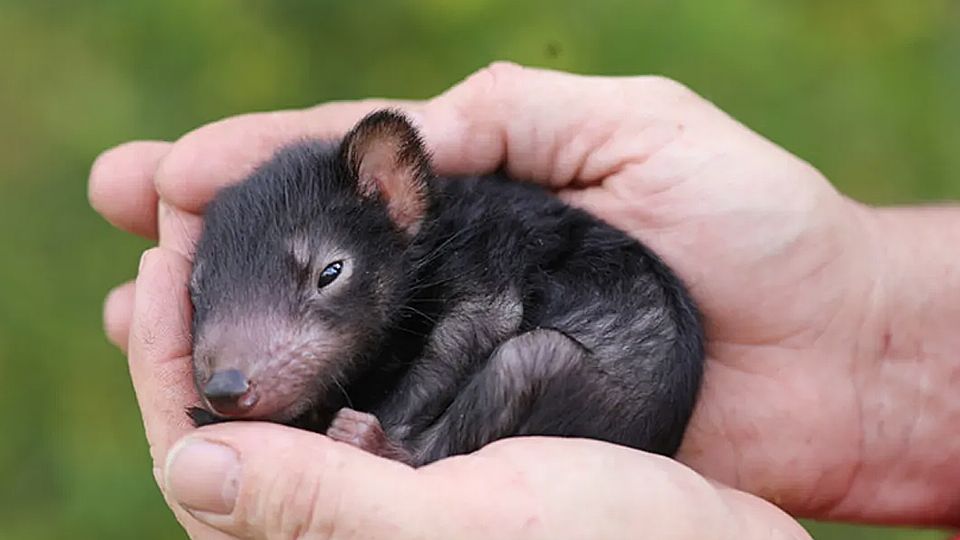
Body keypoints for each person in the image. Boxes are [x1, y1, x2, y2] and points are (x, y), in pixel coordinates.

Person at [88, 62, 959, 539]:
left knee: (515, 352)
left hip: (608, 360)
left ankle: (409, 452)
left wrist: (399, 436)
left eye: (324, 282)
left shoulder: (466, 260)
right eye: (207, 301)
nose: (233, 364)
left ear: (397, 202)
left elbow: (486, 326)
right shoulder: (392, 281)